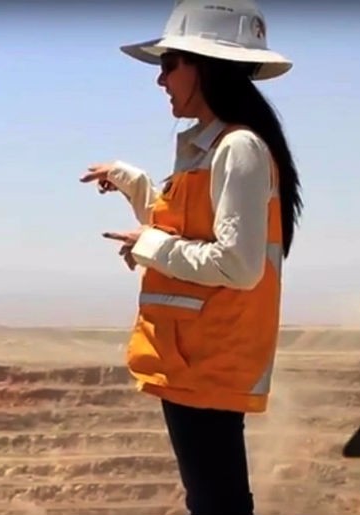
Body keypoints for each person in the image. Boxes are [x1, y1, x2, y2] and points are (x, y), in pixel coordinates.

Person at [79, 1, 302, 514]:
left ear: (203, 65)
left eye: (168, 65)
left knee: (218, 501)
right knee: (212, 498)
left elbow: (238, 265)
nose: (160, 80)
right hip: (192, 358)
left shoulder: (237, 148)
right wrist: (136, 186)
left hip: (210, 358)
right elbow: (190, 228)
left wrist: (147, 245)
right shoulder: (213, 148)